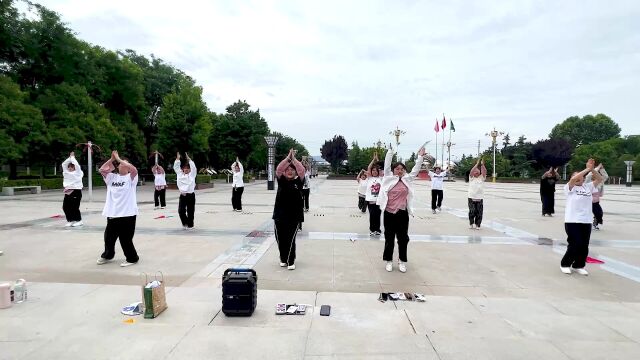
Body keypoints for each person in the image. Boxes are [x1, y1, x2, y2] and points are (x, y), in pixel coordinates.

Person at [376, 146, 425, 273]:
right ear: (393, 170)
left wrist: (420, 157)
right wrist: (390, 152)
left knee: (403, 239)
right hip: (389, 213)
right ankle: (389, 261)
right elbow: (386, 165)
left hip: (402, 213)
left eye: (402, 169)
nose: (399, 171)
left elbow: (415, 170)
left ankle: (402, 261)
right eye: (397, 169)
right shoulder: (388, 178)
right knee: (389, 237)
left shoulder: (407, 179)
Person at [97, 150, 140, 267]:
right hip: (113, 213)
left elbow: (134, 169)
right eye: (120, 164)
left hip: (128, 213)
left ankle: (132, 258)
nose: (121, 165)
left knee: (125, 239)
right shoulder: (112, 177)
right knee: (109, 238)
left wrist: (120, 159)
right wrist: (112, 159)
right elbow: (102, 170)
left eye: (124, 164)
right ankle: (108, 255)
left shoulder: (131, 178)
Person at [561, 158, 602, 275]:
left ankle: (578, 265)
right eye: (577, 176)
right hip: (572, 221)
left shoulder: (588, 187)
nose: (579, 178)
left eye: (582, 176)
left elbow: (599, 179)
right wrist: (587, 169)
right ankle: (565, 264)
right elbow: (574, 179)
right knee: (575, 243)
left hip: (586, 221)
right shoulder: (570, 188)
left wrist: (592, 170)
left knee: (584, 245)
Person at [273, 149, 306, 270]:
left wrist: (294, 159)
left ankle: (290, 260)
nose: (290, 171)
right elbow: (279, 169)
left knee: (290, 239)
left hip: (294, 216)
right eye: (288, 170)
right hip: (279, 216)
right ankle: (283, 258)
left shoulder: (299, 181)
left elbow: (302, 170)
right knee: (280, 239)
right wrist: (288, 158)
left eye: (292, 170)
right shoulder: (281, 181)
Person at [174, 152, 197, 229]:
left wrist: (189, 159)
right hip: (183, 195)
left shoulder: (192, 175)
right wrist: (177, 159)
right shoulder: (179, 174)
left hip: (191, 195)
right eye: (185, 168)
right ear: (183, 169)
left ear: (189, 169)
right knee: (181, 211)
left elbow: (194, 168)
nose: (186, 169)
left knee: (190, 211)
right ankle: (185, 223)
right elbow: (176, 167)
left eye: (188, 168)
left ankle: (190, 225)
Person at [61, 151, 84, 227]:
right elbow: (63, 164)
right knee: (65, 207)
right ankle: (70, 220)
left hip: (76, 191)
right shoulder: (66, 172)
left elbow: (77, 165)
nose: (70, 168)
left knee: (74, 207)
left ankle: (79, 220)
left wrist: (73, 158)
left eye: (72, 167)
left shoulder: (78, 172)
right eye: (69, 167)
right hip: (68, 191)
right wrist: (69, 157)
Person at [586, 163, 609, 230]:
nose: (595, 176)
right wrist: (596, 168)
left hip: (595, 202)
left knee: (599, 213)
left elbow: (605, 176)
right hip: (587, 201)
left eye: (597, 175)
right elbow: (588, 175)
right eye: (594, 174)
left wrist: (602, 169)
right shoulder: (588, 181)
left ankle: (595, 223)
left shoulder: (600, 182)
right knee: (586, 213)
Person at [365, 152, 382, 236]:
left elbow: (381, 169)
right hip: (370, 200)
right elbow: (368, 167)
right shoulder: (369, 178)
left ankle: (377, 230)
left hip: (379, 201)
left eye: (376, 170)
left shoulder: (381, 178)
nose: (375, 171)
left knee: (378, 215)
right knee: (372, 215)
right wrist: (373, 160)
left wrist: (378, 160)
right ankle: (372, 229)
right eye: (373, 170)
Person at [468, 158, 487, 230]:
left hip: (479, 197)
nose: (476, 172)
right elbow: (471, 171)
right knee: (472, 211)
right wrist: (476, 164)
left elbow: (484, 171)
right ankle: (471, 223)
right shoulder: (471, 178)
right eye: (475, 171)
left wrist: (482, 165)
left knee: (479, 212)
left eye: (477, 171)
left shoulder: (482, 178)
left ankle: (478, 224)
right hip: (471, 197)